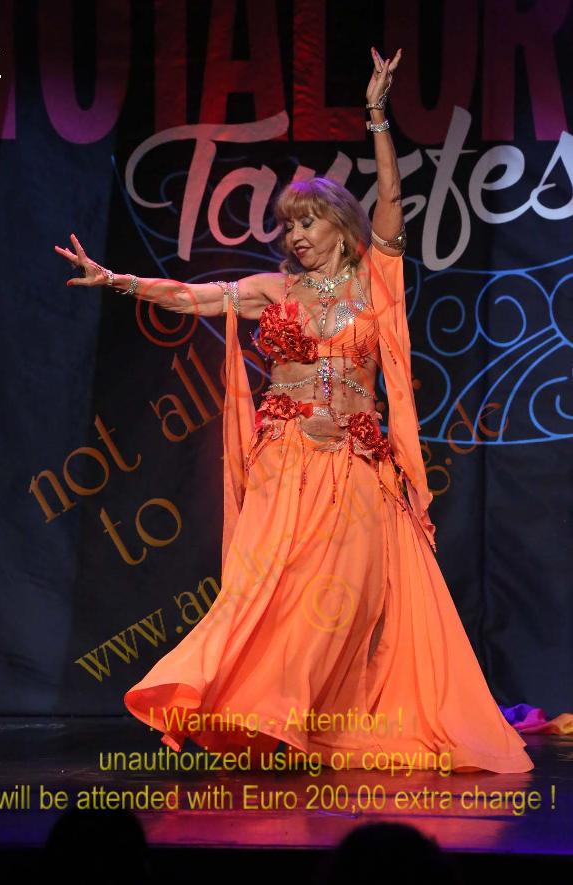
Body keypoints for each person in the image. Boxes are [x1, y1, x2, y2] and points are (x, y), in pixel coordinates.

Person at [55, 48, 533, 773]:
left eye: (309, 222)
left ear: (341, 226)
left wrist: (377, 115)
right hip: (286, 460)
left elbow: (393, 200)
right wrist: (117, 279)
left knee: (341, 602)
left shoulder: (376, 281)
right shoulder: (272, 289)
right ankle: (259, 714)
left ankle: (301, 718)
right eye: (290, 226)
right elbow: (192, 298)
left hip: (358, 465)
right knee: (269, 593)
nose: (297, 236)